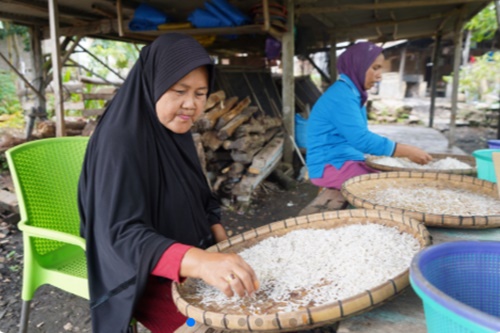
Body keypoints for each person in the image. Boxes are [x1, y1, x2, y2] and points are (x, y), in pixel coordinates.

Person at [78, 33, 259, 333]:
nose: (191, 104)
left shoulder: (175, 131)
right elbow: (120, 236)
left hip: (190, 256)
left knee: (257, 302)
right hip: (142, 276)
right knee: (223, 326)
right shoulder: (119, 142)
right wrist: (201, 263)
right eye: (179, 90)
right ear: (153, 84)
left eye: (201, 93)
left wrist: (224, 249)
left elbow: (203, 202)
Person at [306, 41, 432, 190]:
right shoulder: (342, 96)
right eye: (375, 68)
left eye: (380, 69)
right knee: (391, 188)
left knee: (396, 178)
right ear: (358, 66)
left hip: (346, 160)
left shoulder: (352, 93)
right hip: (330, 166)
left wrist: (400, 152)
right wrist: (407, 151)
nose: (379, 76)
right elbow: (361, 140)